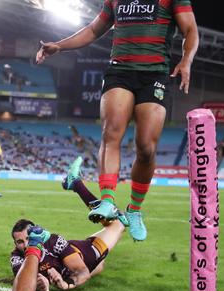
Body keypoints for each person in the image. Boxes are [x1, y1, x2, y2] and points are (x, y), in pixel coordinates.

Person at [36, 0, 199, 241]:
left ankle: (134, 210)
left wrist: (186, 60)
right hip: (119, 71)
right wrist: (59, 46)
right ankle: (108, 200)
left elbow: (190, 30)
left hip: (155, 74)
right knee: (111, 133)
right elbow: (93, 30)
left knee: (146, 148)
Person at [10, 157, 125, 291]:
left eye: (28, 239)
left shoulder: (54, 242)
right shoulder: (16, 257)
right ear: (15, 243)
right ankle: (75, 183)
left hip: (85, 253)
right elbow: (24, 280)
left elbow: (82, 272)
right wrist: (41, 282)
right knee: (100, 266)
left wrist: (67, 284)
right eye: (20, 242)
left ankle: (77, 184)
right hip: (71, 256)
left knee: (118, 221)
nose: (26, 245)